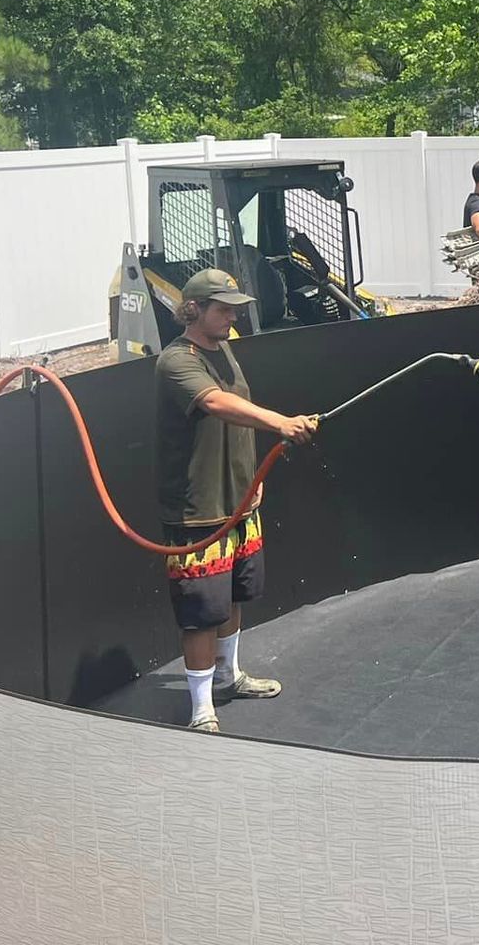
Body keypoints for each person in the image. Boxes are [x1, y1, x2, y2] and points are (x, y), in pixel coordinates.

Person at [156, 267, 316, 732]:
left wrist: (251, 477)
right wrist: (280, 422)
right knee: (202, 609)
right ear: (194, 309)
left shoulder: (223, 349)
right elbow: (215, 404)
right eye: (224, 309)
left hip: (239, 500)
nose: (233, 317)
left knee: (233, 595)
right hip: (199, 509)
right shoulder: (176, 361)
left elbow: (238, 413)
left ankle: (229, 676)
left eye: (235, 309)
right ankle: (201, 709)